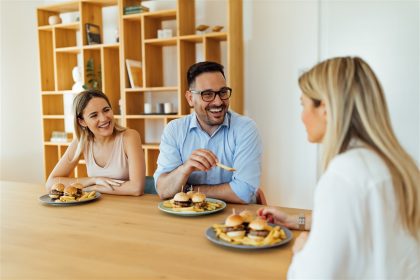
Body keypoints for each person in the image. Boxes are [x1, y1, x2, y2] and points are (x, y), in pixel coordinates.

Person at [258, 57, 419, 278]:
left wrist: (301, 251)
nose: (301, 116)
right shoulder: (394, 164)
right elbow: (364, 224)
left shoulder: (345, 174)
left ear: (324, 107)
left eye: (303, 104)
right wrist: (296, 221)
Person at [154, 61, 262, 203]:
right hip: (186, 218)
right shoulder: (174, 130)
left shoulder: (245, 129)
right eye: (208, 94)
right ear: (190, 98)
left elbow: (244, 192)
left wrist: (187, 190)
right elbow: (163, 190)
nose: (218, 102)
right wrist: (185, 169)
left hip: (233, 217)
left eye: (223, 92)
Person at [45, 90, 145, 196]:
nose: (103, 118)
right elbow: (50, 183)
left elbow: (136, 188)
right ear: (82, 121)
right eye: (94, 115)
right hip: (97, 207)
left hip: (127, 206)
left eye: (106, 110)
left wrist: (96, 188)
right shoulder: (81, 142)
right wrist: (93, 180)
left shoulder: (129, 137)